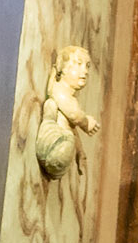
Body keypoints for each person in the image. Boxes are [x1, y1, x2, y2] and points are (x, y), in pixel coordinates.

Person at [35, 44, 100, 180]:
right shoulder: (60, 91)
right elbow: (74, 116)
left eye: (87, 66)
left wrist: (80, 152)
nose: (85, 71)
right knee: (50, 105)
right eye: (78, 64)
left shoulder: (69, 98)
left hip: (59, 146)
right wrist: (86, 122)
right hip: (53, 144)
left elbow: (71, 126)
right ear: (63, 69)